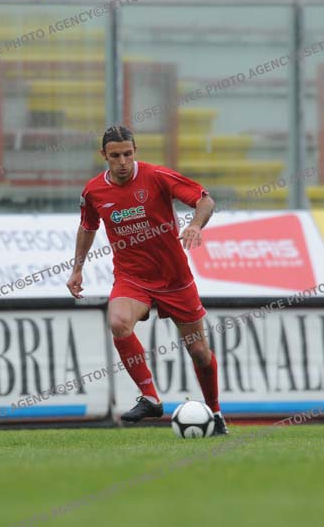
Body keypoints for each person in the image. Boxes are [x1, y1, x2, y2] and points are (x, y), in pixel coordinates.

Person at [66, 125, 227, 435]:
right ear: (104, 155)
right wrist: (77, 269)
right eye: (115, 156)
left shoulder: (157, 176)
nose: (122, 162)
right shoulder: (93, 191)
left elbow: (205, 201)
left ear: (135, 151)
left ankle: (215, 412)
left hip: (175, 279)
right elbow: (87, 227)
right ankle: (151, 397)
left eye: (128, 154)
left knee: (199, 352)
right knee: (118, 322)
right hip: (132, 278)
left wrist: (195, 225)